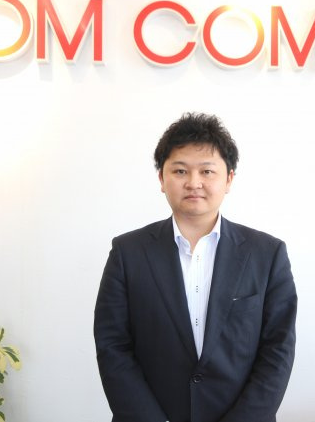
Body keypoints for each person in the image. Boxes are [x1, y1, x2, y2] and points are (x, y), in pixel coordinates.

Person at [94, 112, 297, 422]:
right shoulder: (127, 253)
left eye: (207, 171)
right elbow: (113, 347)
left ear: (229, 179)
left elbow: (278, 350)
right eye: (180, 171)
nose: (193, 183)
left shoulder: (267, 254)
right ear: (161, 179)